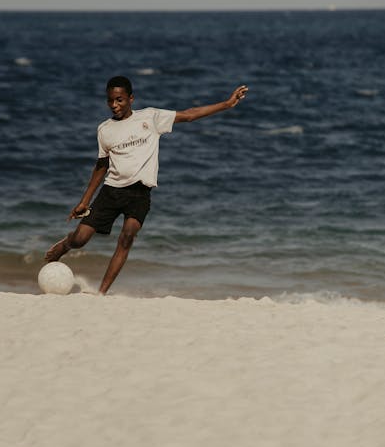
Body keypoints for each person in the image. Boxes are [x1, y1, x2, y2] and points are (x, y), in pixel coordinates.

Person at [45, 75, 248, 294]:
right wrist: (84, 201)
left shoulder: (151, 117)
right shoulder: (104, 130)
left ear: (131, 98)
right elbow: (101, 167)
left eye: (120, 100)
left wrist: (226, 104)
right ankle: (65, 245)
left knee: (127, 237)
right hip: (111, 191)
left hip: (140, 194)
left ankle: (101, 293)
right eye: (111, 101)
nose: (115, 105)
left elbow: (189, 115)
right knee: (81, 239)